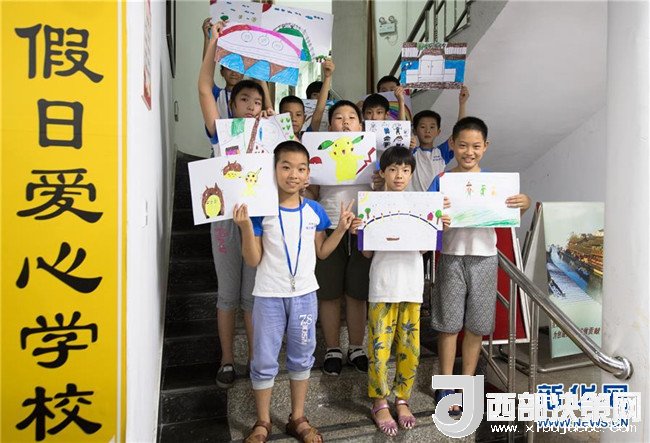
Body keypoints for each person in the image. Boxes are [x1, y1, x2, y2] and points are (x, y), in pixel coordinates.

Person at [233, 141, 356, 443]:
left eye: (301, 169)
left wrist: (341, 229)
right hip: (269, 296)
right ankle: (263, 421)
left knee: (301, 357)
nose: (293, 174)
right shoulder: (261, 211)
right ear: (273, 170)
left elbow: (323, 252)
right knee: (264, 359)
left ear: (308, 174)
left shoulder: (315, 211)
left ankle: (297, 417)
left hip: (304, 296)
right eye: (286, 167)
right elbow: (253, 260)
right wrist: (246, 227)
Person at [427, 116, 531, 416]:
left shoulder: (496, 184)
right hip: (451, 257)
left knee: (476, 326)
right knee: (448, 325)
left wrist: (524, 202)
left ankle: (466, 383)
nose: (468, 152)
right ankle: (445, 384)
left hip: (485, 258)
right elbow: (426, 219)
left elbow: (512, 214)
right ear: (452, 144)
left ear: (485, 146)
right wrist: (437, 218)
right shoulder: (441, 181)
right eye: (462, 145)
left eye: (475, 146)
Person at [349, 146, 449, 436]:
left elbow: (424, 249)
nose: (399, 175)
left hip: (411, 286)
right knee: (379, 349)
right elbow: (367, 253)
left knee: (410, 348)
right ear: (382, 173)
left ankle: (402, 398)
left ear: (412, 173)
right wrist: (360, 232)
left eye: (405, 170)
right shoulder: (372, 204)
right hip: (382, 285)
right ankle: (379, 401)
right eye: (393, 169)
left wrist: (437, 228)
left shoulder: (420, 204)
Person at [198, 21, 274, 388]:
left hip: (259, 221)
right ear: (231, 103)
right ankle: (227, 360)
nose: (251, 106)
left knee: (253, 296)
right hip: (226, 221)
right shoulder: (222, 131)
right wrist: (213, 41)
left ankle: (257, 359)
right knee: (228, 295)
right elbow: (203, 87)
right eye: (244, 100)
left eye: (257, 102)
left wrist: (264, 63)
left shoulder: (271, 131)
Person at [304, 100, 370, 376]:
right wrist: (306, 188)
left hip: (362, 226)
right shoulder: (319, 153)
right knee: (329, 292)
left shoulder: (372, 152)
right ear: (330, 125)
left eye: (351, 117)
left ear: (360, 125)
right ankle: (332, 348)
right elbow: (312, 192)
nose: (345, 122)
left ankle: (356, 347)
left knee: (357, 292)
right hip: (328, 224)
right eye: (339, 117)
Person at [408, 85, 470, 192]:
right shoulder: (411, 151)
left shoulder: (442, 152)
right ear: (415, 131)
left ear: (438, 132)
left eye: (432, 127)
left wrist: (462, 104)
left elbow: (460, 133)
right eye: (422, 127)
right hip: (413, 200)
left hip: (436, 199)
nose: (427, 131)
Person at [279, 60, 335, 139]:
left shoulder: (307, 137)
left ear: (304, 118)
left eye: (298, 115)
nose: (293, 119)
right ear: (279, 117)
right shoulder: (272, 138)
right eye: (288, 114)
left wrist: (327, 77)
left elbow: (319, 110)